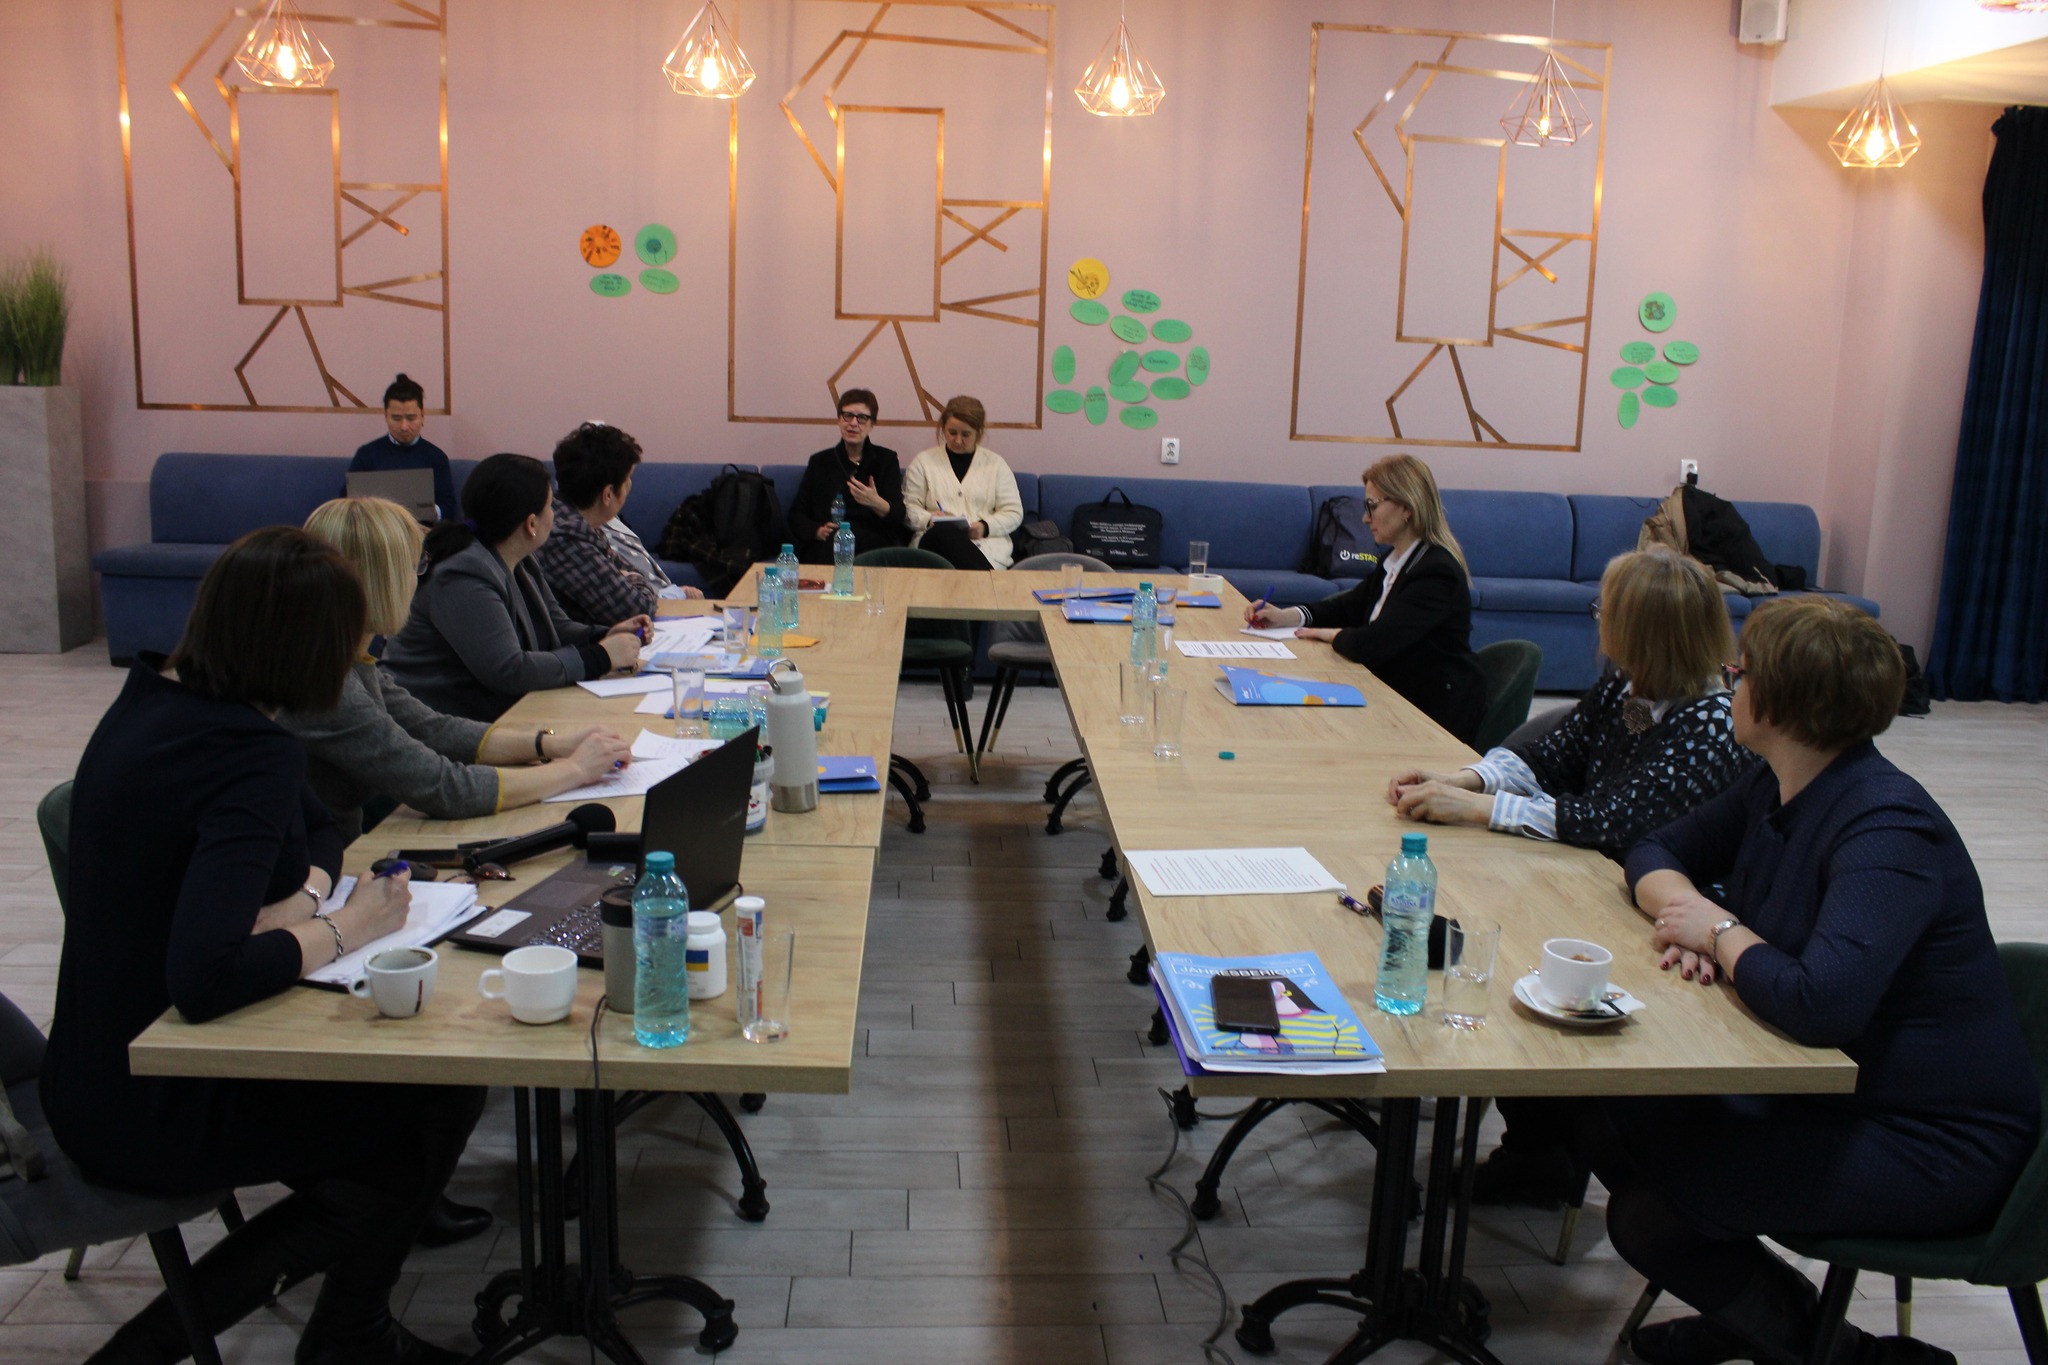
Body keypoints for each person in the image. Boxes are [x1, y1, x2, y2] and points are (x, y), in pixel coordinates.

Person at [42, 528, 485, 1365]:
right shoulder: (246, 754)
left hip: (93, 1067)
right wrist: (347, 927)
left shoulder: (155, 701)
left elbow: (318, 832)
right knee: (422, 1111)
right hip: (155, 1094)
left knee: (423, 1102)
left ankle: (355, 1317)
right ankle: (308, 1339)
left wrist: (299, 902)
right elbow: (206, 977)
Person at [1590, 599, 2034, 1365]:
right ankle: (1759, 1316)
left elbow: (1820, 1001)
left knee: (1650, 1212)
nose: (1729, 683)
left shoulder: (1887, 827)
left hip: (1932, 1140)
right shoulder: (1779, 782)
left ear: (1782, 703)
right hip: (1826, 1088)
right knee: (1604, 1113)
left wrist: (1722, 935)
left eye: (1740, 672)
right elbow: (1654, 849)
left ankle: (1851, 1354)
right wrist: (1697, 918)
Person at [282, 496, 632, 842]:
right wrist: (575, 769)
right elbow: (443, 787)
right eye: (414, 567)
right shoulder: (325, 684)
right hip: (335, 859)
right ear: (378, 581)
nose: (417, 582)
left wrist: (551, 744)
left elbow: (434, 729)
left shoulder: (343, 659)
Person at [1385, 546, 1758, 862]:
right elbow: (1553, 756)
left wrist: (1477, 807)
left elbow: (1615, 821)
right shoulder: (1629, 686)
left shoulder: (1710, 726)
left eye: (1607, 611)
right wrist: (1464, 781)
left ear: (1645, 635)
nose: (1601, 621)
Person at [381, 453, 647, 723]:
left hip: (497, 712)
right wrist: (601, 657)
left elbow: (555, 627)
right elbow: (509, 671)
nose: (555, 515)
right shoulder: (462, 574)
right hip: (438, 724)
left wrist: (604, 636)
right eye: (550, 506)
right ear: (531, 524)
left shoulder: (518, 558)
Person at [1245, 453, 1485, 741]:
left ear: (1407, 508)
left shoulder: (1435, 572)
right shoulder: (1396, 560)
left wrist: (1330, 634)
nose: (1365, 517)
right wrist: (1288, 616)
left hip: (1430, 714)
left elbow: (1373, 644)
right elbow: (1349, 605)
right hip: (1394, 694)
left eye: (1372, 505)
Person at [534, 421, 701, 629]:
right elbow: (637, 607)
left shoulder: (579, 523)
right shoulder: (567, 537)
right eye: (628, 480)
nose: (630, 486)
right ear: (608, 494)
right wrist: (633, 579)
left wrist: (628, 578)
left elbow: (628, 574)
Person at [901, 395, 1025, 570]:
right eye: (952, 433)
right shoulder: (923, 462)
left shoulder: (996, 465)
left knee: (952, 542)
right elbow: (908, 508)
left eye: (966, 434)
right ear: (943, 428)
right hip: (934, 545)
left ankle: (981, 577)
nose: (958, 441)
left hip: (986, 548)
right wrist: (930, 519)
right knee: (943, 532)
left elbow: (1013, 512)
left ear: (979, 433)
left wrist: (985, 527)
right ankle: (986, 580)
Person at [788, 387, 907, 564]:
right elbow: (797, 514)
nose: (853, 423)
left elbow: (899, 515)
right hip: (827, 541)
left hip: (872, 542)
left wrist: (876, 502)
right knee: (833, 541)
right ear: (839, 420)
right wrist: (816, 530)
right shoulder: (820, 462)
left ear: (872, 424)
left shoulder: (886, 460)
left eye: (862, 418)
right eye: (848, 416)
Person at [346, 372, 456, 520]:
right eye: (396, 418)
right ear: (386, 416)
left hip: (421, 529)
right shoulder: (367, 454)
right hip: (378, 529)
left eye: (411, 418)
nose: (404, 427)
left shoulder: (436, 457)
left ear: (422, 415)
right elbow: (345, 501)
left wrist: (428, 511)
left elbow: (449, 508)